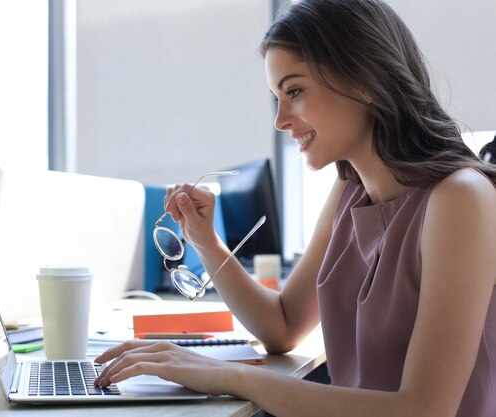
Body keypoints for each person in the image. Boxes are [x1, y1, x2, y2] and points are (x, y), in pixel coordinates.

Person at [94, 0, 496, 415]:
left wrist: (226, 375)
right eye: (276, 98)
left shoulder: (461, 198)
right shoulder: (349, 190)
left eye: (295, 91)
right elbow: (282, 327)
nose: (280, 120)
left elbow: (424, 410)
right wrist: (206, 242)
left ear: (364, 79)